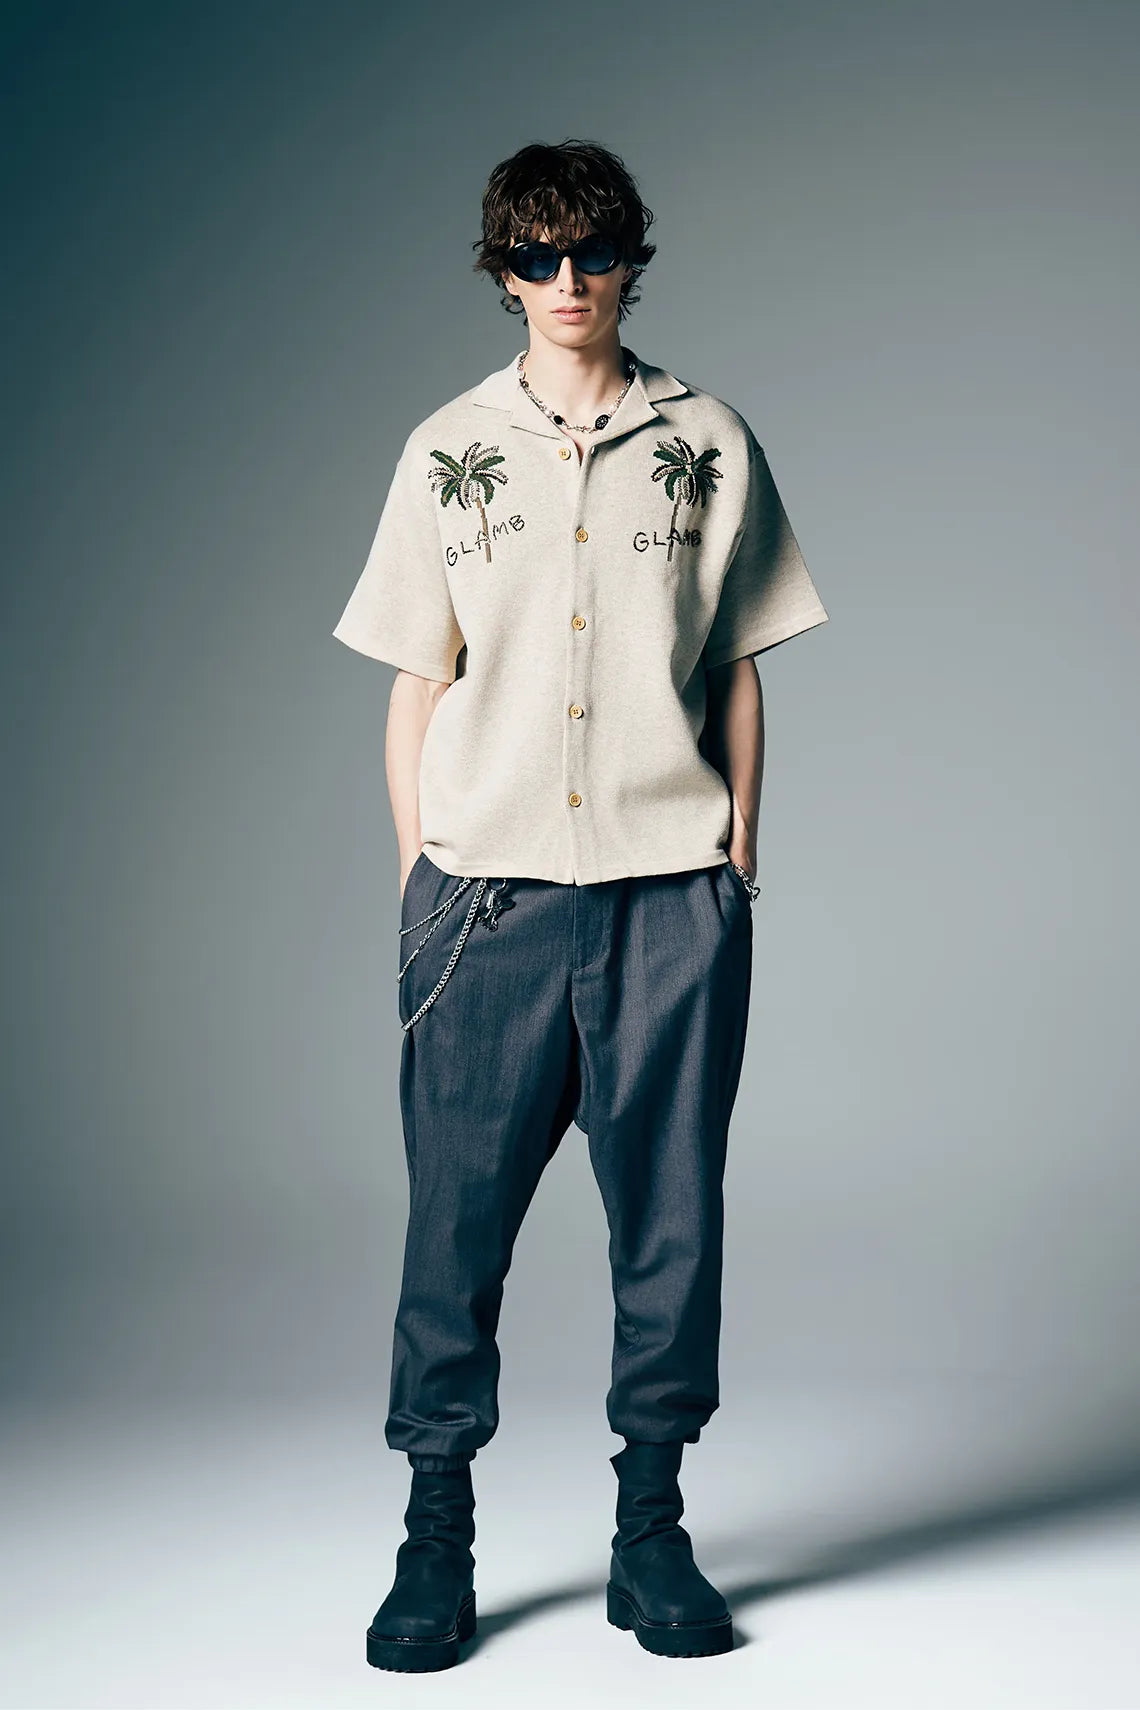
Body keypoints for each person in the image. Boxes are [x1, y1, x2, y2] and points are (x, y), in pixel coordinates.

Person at [332, 137, 828, 1670]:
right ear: (501, 272)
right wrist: (419, 875)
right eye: (536, 256)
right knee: (454, 1224)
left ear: (631, 260)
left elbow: (736, 664)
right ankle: (435, 1532)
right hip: (482, 904)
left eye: (594, 251)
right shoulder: (445, 451)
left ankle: (650, 1527)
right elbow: (418, 681)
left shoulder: (708, 442)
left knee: (671, 1218)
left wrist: (740, 856)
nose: (567, 281)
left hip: (668, 894)